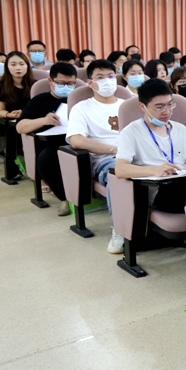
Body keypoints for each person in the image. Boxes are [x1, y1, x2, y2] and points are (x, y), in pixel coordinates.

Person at [66, 59, 125, 253]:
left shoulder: (127, 105)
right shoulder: (82, 108)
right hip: (106, 160)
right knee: (118, 174)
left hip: (137, 154)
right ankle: (120, 230)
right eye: (100, 77)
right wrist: (114, 149)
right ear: (90, 82)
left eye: (110, 76)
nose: (107, 81)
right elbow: (76, 140)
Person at [114, 79, 186, 213]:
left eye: (170, 105)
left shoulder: (181, 129)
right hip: (156, 189)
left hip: (184, 184)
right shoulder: (131, 132)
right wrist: (155, 170)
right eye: (160, 107)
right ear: (143, 106)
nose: (167, 112)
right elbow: (120, 169)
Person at [15, 63, 76, 216]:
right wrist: (44, 120)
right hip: (53, 142)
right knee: (47, 160)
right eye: (61, 83)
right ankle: (64, 198)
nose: (66, 87)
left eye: (71, 83)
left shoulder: (79, 99)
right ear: (50, 81)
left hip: (79, 138)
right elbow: (20, 127)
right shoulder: (40, 100)